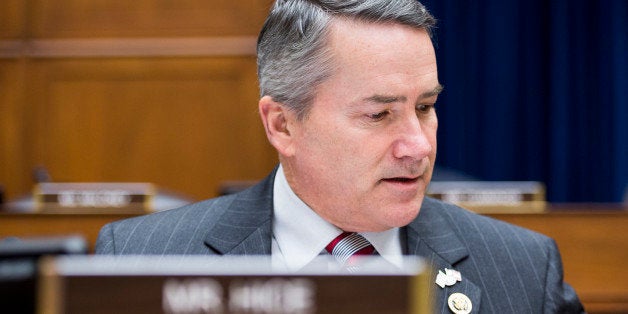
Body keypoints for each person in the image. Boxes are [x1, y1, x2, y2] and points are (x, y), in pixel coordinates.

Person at [96, 0, 584, 312]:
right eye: (379, 115)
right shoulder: (143, 260)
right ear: (282, 124)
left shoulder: (523, 269)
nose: (418, 145)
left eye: (426, 107)